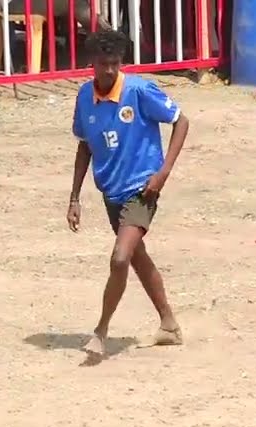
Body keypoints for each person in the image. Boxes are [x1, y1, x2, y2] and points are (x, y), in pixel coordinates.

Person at [67, 29, 188, 357]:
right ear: (91, 63)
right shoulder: (83, 98)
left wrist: (162, 173)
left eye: (115, 64)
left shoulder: (138, 90)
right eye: (104, 64)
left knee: (120, 258)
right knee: (136, 256)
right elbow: (84, 147)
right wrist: (74, 198)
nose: (109, 70)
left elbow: (181, 121)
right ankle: (169, 324)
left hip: (142, 190)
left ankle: (100, 332)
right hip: (111, 193)